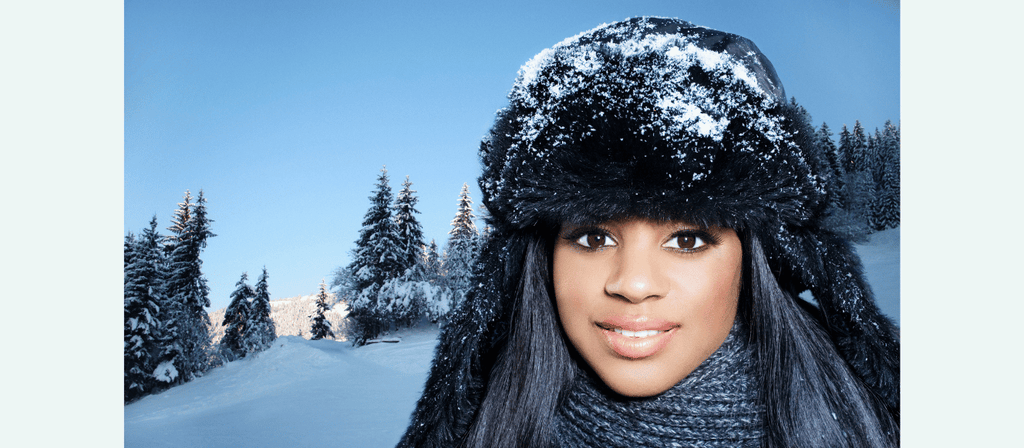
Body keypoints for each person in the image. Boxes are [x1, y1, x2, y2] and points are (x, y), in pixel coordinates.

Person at [397, 17, 899, 448]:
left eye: (687, 239)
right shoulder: (490, 423)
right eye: (594, 238)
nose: (633, 284)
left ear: (757, 256)